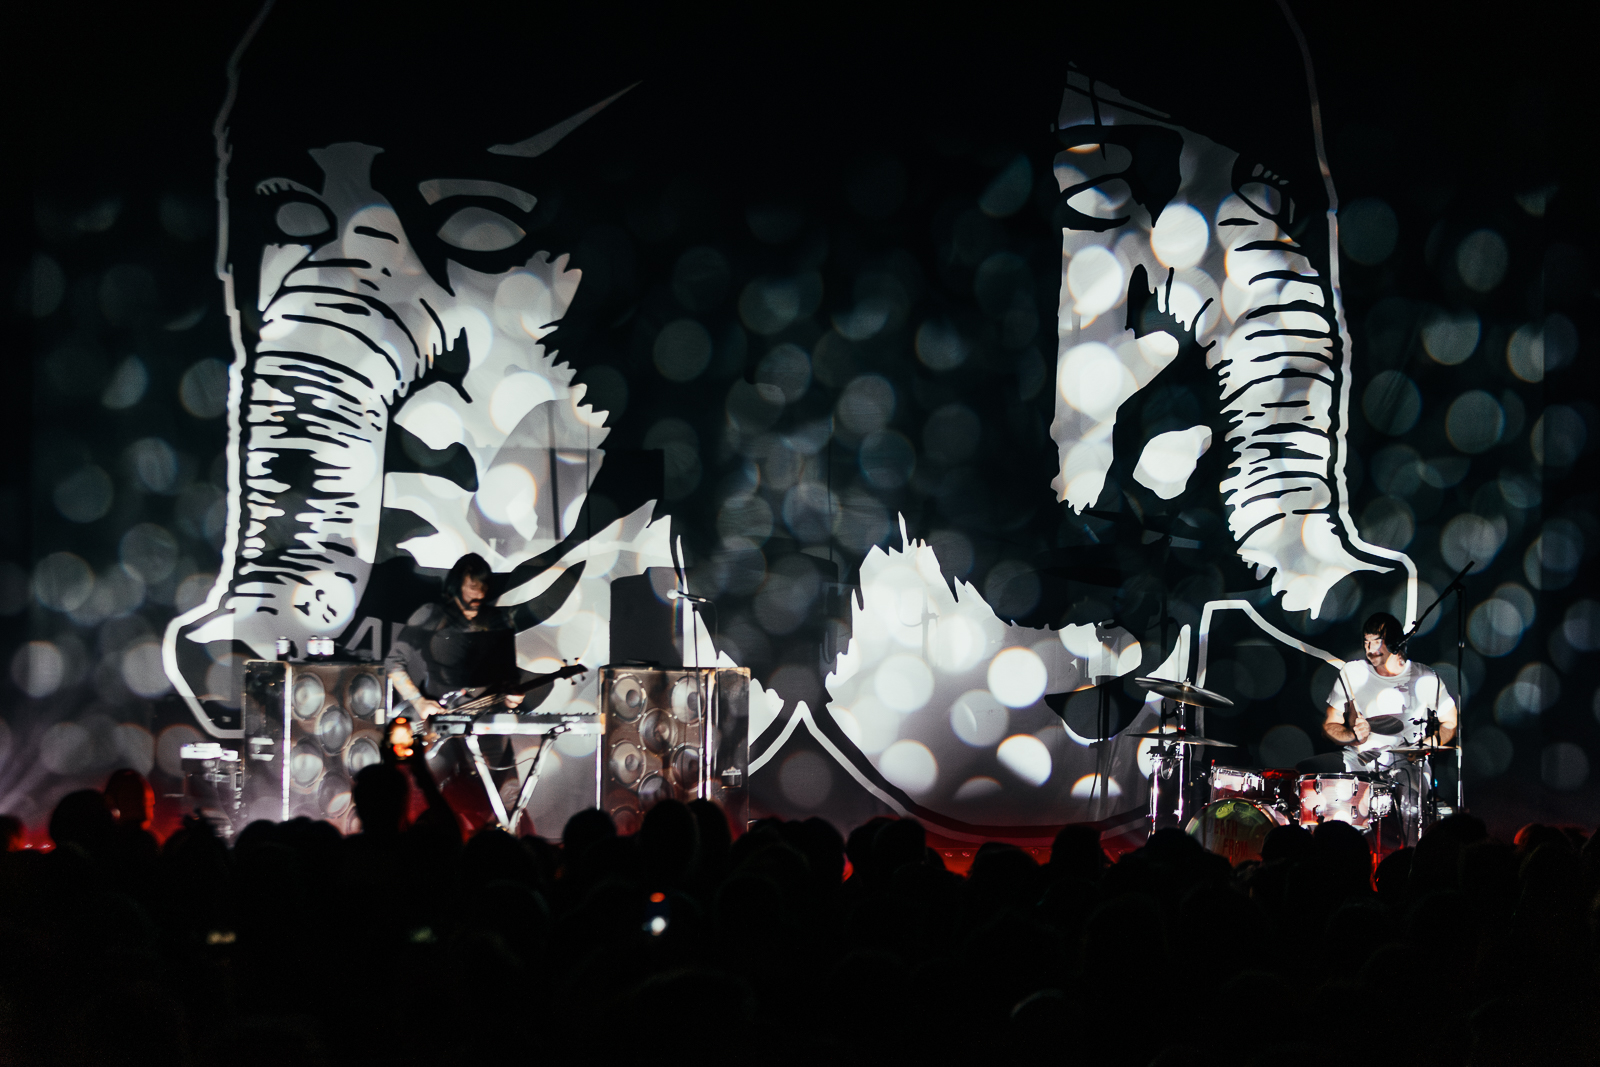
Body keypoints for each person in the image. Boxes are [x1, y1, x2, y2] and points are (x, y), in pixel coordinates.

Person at [1322, 611, 1457, 844]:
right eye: (1366, 642)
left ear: (1396, 643)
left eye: (1376, 642)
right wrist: (1351, 734)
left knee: (1411, 808)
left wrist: (1426, 745)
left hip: (1407, 761)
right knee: (1340, 809)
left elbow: (1450, 722)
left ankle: (1411, 860)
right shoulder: (1352, 673)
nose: (1370, 648)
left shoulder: (1424, 677)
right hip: (1360, 759)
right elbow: (1331, 724)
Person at [385, 553, 526, 720]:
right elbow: (393, 662)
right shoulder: (431, 615)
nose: (479, 595)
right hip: (440, 718)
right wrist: (418, 701)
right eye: (473, 588)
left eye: (483, 588)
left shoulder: (499, 621)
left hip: (487, 722)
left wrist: (511, 697)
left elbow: (509, 675)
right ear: (457, 586)